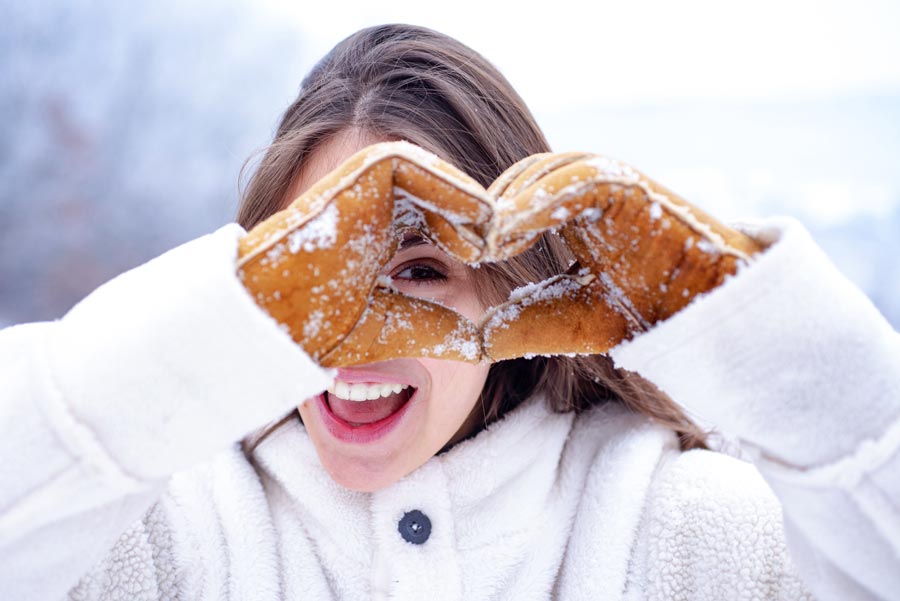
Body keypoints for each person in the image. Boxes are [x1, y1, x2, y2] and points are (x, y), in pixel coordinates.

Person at [1, 23, 898, 601]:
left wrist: (752, 327)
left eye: (421, 268)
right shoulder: (160, 533)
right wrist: (189, 355)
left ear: (520, 292)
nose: (352, 333)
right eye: (313, 271)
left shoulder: (690, 533)